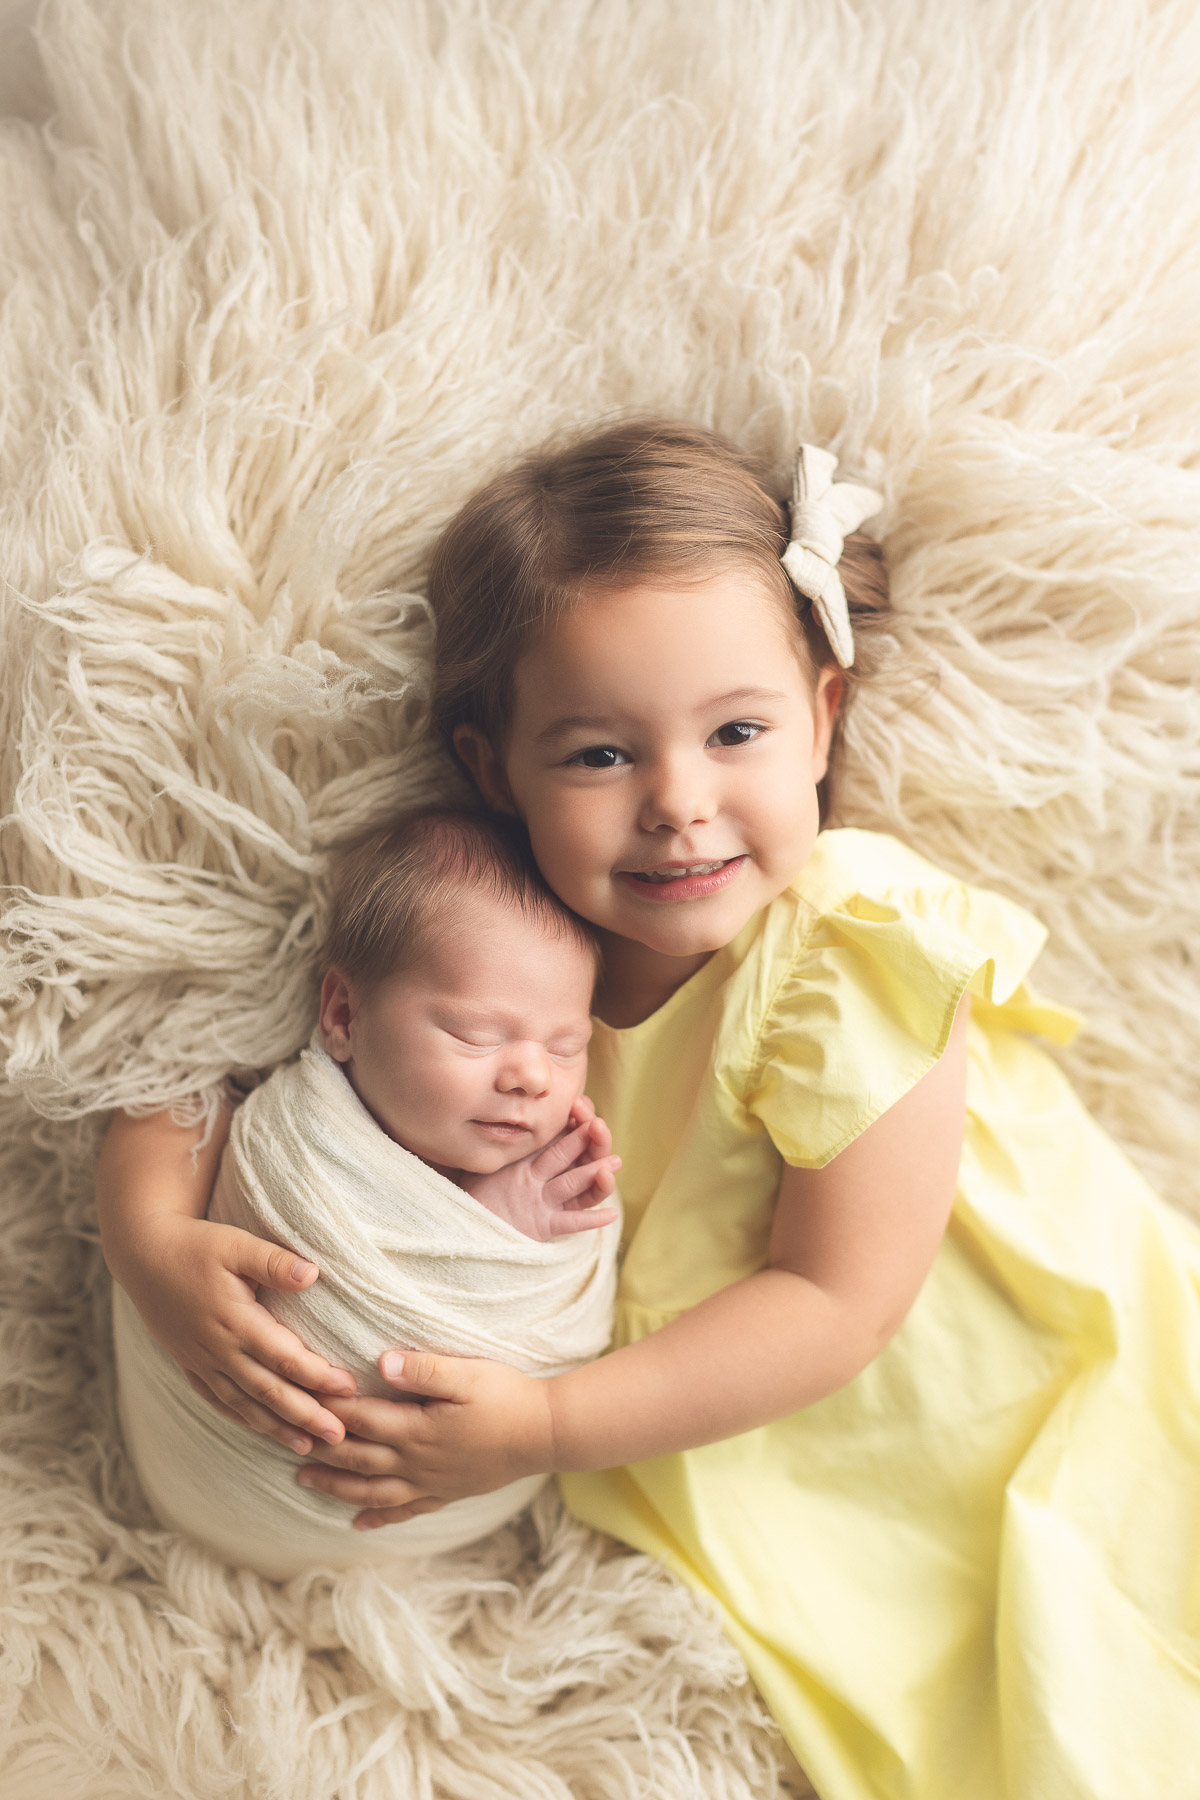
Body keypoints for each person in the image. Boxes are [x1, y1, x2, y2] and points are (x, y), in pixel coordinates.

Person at [97, 420, 1200, 1798]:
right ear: (496, 769)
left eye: (737, 732)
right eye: (600, 756)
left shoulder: (846, 944)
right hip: (723, 1421)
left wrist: (547, 1432)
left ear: (823, 724)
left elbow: (841, 1299)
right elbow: (193, 1055)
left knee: (1112, 1652)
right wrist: (150, 1237)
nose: (680, 806)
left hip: (986, 1359)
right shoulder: (477, 933)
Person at [110, 806, 621, 1577]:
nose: (532, 1076)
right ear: (344, 1015)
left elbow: (525, 1331)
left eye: (566, 1044)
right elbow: (167, 1099)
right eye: (476, 1034)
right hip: (203, 1480)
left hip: (439, 1517)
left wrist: (504, 1224)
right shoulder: (297, 1123)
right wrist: (150, 1244)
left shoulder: (548, 1170)